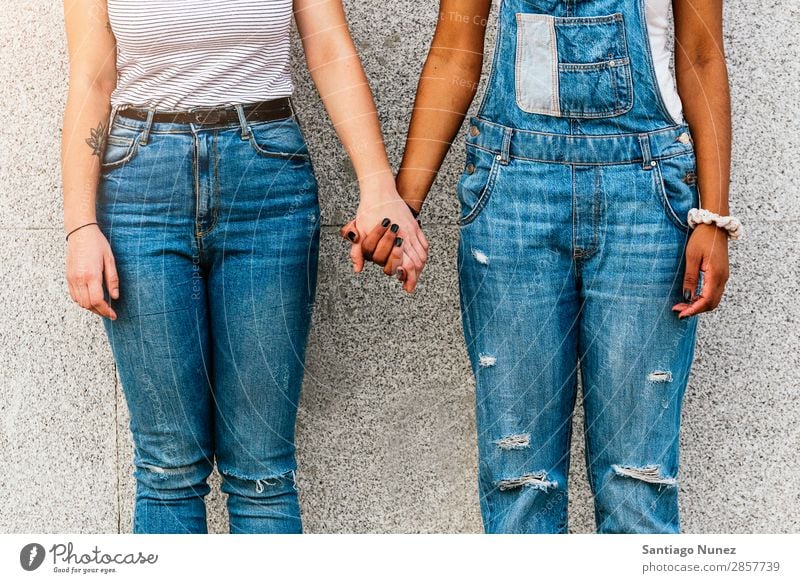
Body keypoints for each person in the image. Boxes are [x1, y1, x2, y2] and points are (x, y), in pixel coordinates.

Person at [344, 0, 739, 533]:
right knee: (519, 485)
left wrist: (713, 218)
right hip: (512, 198)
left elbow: (701, 56)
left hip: (646, 203)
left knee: (637, 487)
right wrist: (403, 210)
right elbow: (456, 50)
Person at [61, 0, 425, 534]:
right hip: (140, 190)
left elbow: (328, 45)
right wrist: (79, 226)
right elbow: (91, 79)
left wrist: (378, 186)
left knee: (262, 473)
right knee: (167, 470)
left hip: (267, 184)